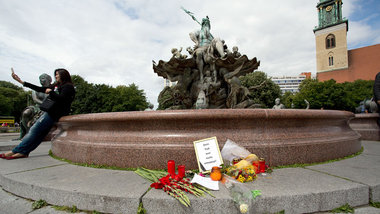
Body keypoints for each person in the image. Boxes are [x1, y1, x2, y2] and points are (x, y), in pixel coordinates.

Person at [0, 68, 75, 160]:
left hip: (53, 113)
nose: (55, 76)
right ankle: (24, 152)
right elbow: (40, 89)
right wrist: (21, 82)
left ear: (63, 75)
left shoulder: (68, 87)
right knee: (39, 135)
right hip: (52, 112)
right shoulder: (57, 86)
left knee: (33, 131)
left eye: (57, 74)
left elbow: (63, 99)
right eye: (55, 74)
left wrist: (51, 92)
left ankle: (15, 151)